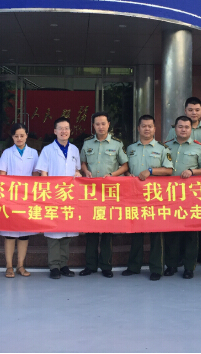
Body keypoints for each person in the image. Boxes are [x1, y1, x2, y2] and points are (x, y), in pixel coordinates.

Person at [165, 96, 201, 267]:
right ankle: (179, 256)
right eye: (190, 110)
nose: (194, 113)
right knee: (177, 222)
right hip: (175, 187)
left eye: (197, 110)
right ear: (185, 111)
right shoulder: (175, 130)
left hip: (200, 185)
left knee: (200, 221)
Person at [122, 115, 173, 281]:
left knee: (156, 233)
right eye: (143, 126)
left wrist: (150, 171)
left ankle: (157, 268)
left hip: (155, 196)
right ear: (138, 128)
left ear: (154, 129)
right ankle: (133, 266)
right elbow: (125, 167)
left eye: (150, 126)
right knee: (136, 231)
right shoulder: (130, 148)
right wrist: (127, 174)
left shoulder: (162, 149)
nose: (147, 129)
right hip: (135, 196)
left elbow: (169, 170)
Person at [79, 111, 129, 278]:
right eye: (97, 124)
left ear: (108, 125)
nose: (100, 127)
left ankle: (106, 266)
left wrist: (113, 175)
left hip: (109, 192)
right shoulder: (87, 143)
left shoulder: (117, 143)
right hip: (91, 192)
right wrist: (85, 171)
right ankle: (90, 265)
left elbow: (125, 165)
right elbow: (83, 162)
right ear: (93, 126)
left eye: (103, 124)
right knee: (91, 230)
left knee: (108, 230)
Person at [35, 117, 81, 279]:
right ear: (55, 131)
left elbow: (77, 170)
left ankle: (64, 265)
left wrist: (78, 174)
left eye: (66, 128)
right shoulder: (48, 150)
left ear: (70, 130)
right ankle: (54, 266)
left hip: (69, 196)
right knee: (54, 233)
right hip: (53, 196)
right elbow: (43, 173)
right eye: (60, 128)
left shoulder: (74, 149)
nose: (64, 131)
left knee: (67, 232)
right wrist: (47, 195)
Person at [0, 123, 40, 278]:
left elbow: (35, 174)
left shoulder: (33, 153)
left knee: (24, 234)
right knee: (10, 234)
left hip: (27, 197)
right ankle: (9, 266)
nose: (19, 138)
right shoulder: (7, 153)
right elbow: (2, 175)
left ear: (27, 136)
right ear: (12, 137)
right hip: (11, 197)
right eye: (16, 136)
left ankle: (20, 265)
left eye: (22, 135)